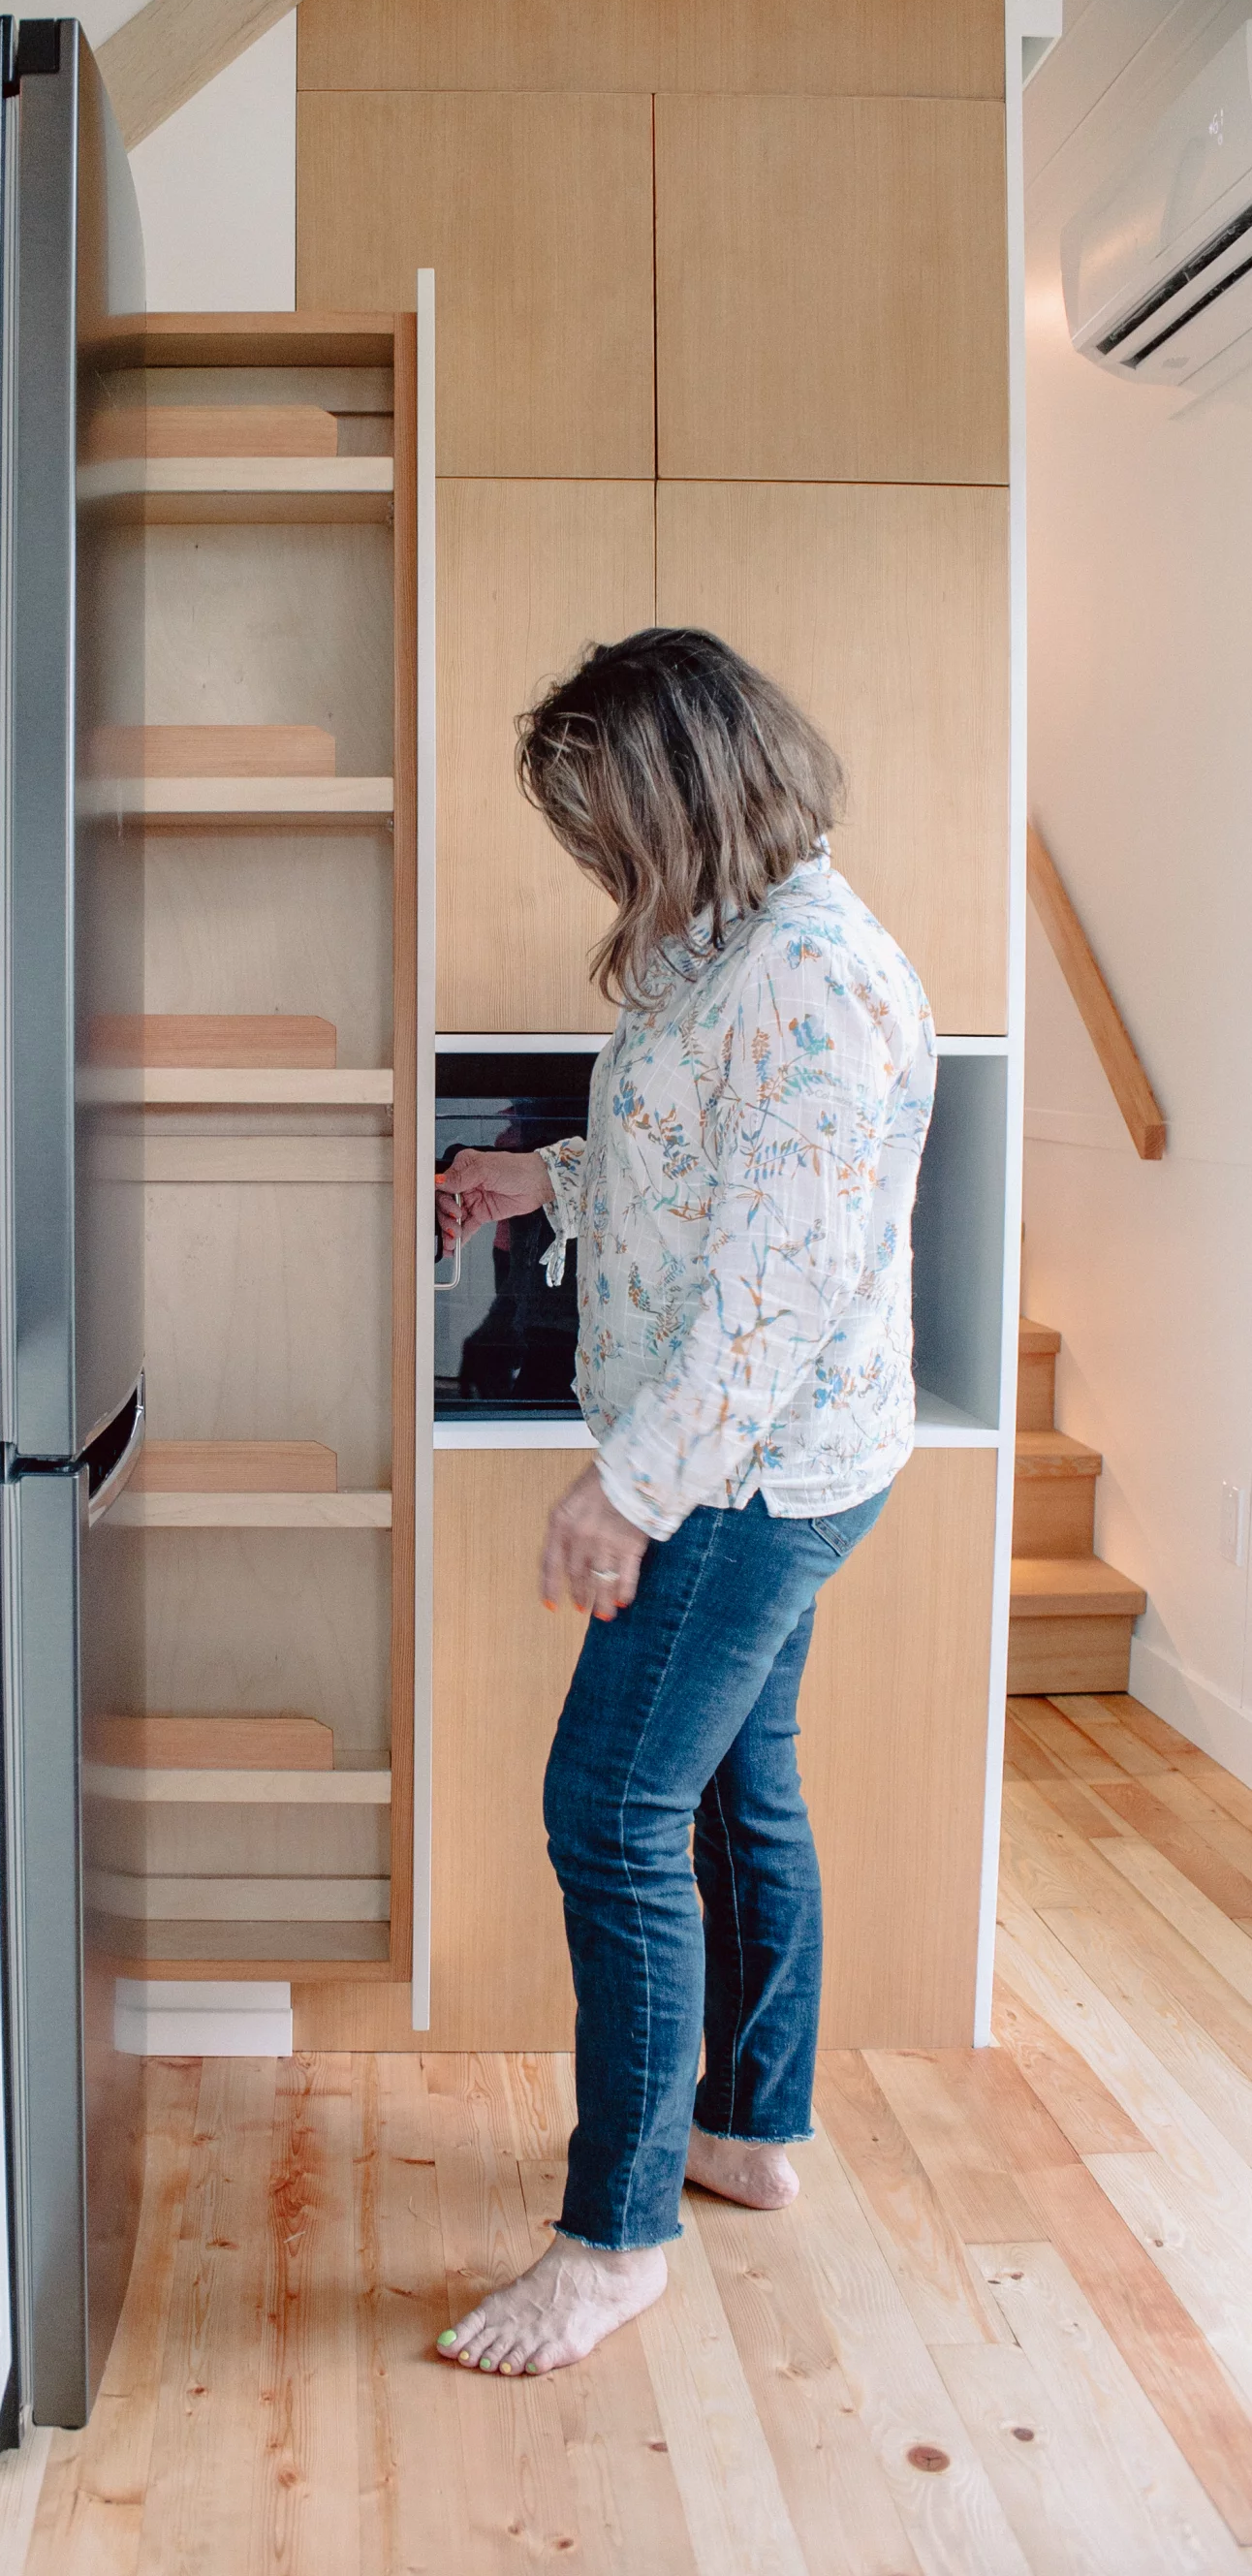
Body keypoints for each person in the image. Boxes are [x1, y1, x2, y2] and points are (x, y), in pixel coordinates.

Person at [432, 628, 934, 2380]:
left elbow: (772, 1291)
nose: (594, 856)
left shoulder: (807, 980)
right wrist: (542, 1178)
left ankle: (615, 2237)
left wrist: (627, 1494)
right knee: (731, 1784)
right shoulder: (726, 948)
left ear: (683, 792)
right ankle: (744, 2128)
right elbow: (697, 1167)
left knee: (613, 1810)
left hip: (743, 1476)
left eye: (604, 819)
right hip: (772, 1459)